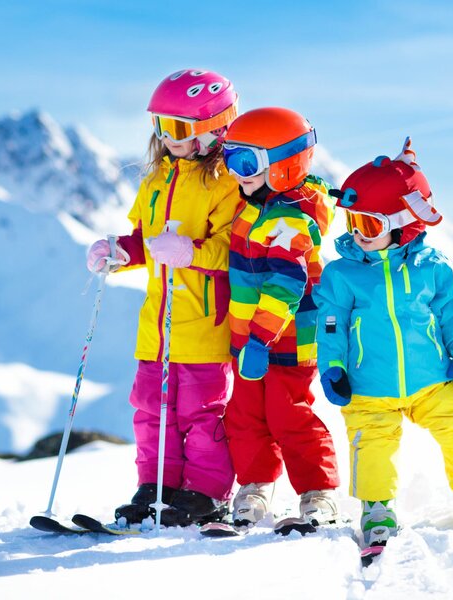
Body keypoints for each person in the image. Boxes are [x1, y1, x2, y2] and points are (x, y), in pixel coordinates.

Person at [314, 138, 453, 548]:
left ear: (404, 225)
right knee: (371, 445)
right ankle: (377, 508)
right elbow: (331, 324)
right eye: (353, 222)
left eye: (369, 225)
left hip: (431, 377)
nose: (358, 234)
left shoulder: (432, 267)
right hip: (368, 384)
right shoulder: (342, 274)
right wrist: (333, 366)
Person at [86, 69, 240, 527]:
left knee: (200, 414)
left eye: (177, 127)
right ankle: (156, 486)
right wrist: (119, 252)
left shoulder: (227, 184)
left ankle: (206, 491)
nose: (166, 137)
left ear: (214, 129)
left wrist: (191, 252)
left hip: (204, 323)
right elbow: (144, 241)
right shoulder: (155, 181)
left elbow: (234, 250)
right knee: (151, 412)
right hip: (157, 326)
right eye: (160, 125)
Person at [220, 107, 341, 529]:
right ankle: (255, 485)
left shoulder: (289, 219)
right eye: (229, 158)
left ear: (283, 166)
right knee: (245, 415)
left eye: (246, 162)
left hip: (285, 341)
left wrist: (259, 339)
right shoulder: (254, 205)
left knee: (289, 415)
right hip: (248, 339)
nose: (236, 173)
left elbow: (285, 285)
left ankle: (318, 493)